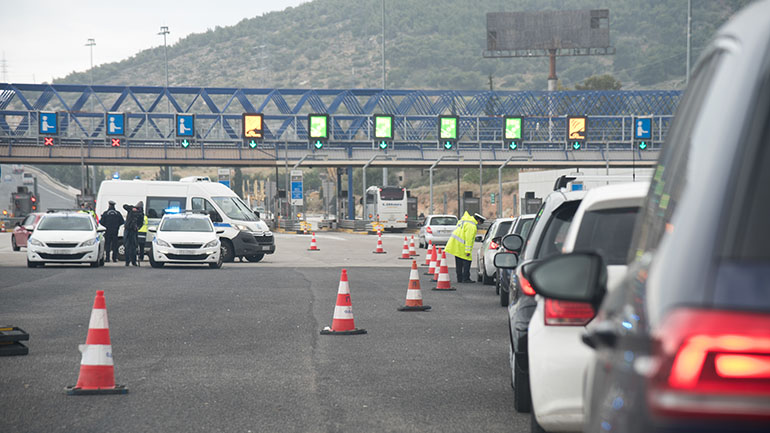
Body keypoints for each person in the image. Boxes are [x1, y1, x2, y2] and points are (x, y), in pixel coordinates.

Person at [444, 211, 485, 283]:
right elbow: (468, 239)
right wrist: (468, 251)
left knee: (459, 262)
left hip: (455, 244)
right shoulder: (472, 226)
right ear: (478, 220)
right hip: (462, 246)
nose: (479, 224)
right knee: (467, 261)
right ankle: (466, 278)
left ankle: (459, 278)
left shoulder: (464, 221)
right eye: (480, 222)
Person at [122, 201, 144, 267]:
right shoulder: (131, 209)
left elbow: (141, 223)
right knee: (127, 246)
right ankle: (127, 261)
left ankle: (133, 261)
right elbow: (124, 206)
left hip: (134, 231)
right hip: (128, 230)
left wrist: (137, 227)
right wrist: (131, 208)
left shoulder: (141, 214)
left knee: (134, 247)